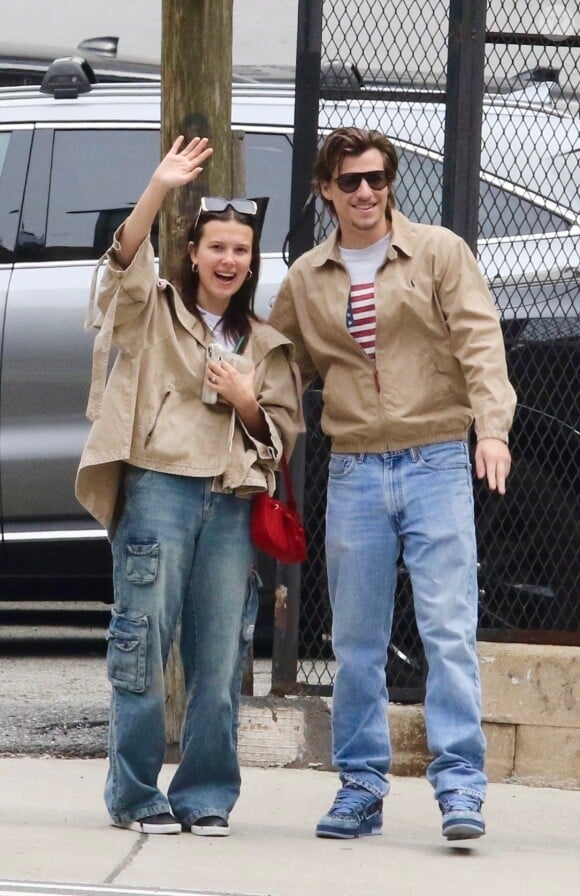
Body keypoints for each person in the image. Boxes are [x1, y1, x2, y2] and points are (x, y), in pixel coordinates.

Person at [269, 126, 516, 842]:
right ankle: (360, 786)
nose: (367, 192)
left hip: (436, 457)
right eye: (351, 182)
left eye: (377, 178)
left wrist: (491, 428)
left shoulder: (437, 251)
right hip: (354, 469)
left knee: (447, 629)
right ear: (326, 191)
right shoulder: (308, 278)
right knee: (355, 642)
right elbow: (284, 370)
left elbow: (479, 340)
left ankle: (461, 786)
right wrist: (259, 436)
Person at [75, 136, 303, 836]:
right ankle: (135, 793)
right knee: (142, 645)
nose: (228, 260)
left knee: (221, 657)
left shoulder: (266, 343)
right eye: (216, 248)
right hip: (160, 493)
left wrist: (242, 398)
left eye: (240, 250)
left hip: (232, 505)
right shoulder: (157, 307)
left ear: (250, 261)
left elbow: (282, 435)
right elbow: (120, 267)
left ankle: (206, 794)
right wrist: (159, 187)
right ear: (194, 253)